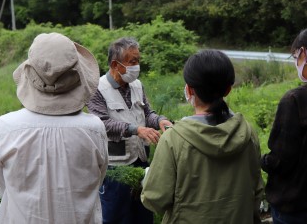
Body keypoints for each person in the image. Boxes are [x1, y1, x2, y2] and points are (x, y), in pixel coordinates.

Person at [0, 32, 108, 224]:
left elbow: (2, 188)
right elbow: (97, 180)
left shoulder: (5, 128)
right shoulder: (94, 129)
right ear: (77, 76)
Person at [141, 50, 264, 224]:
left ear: (189, 89)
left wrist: (148, 177)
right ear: (228, 89)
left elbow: (155, 199)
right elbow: (257, 190)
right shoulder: (248, 132)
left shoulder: (173, 139)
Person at [87, 37, 172, 224]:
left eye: (138, 61)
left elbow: (147, 113)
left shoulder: (137, 85)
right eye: (132, 62)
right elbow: (102, 124)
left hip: (140, 162)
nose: (137, 66)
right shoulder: (97, 89)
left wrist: (160, 120)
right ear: (116, 65)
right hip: (115, 168)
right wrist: (135, 129)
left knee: (142, 213)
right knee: (116, 216)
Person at [261, 29, 307, 223]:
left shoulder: (295, 100)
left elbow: (281, 160)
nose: (296, 61)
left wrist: (260, 160)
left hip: (296, 206)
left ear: (304, 53)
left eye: (296, 56)